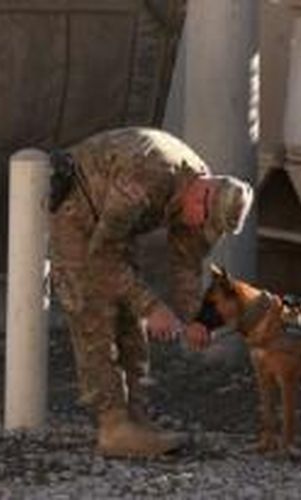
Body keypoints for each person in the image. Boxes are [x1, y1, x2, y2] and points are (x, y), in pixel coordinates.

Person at [49, 127, 253, 458]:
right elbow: (102, 255)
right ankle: (113, 426)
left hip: (114, 222)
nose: (203, 228)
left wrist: (193, 321)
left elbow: (188, 263)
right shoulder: (149, 174)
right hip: (78, 204)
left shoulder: (204, 199)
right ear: (203, 194)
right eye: (206, 220)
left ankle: (137, 417)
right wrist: (152, 306)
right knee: (93, 304)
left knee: (130, 313)